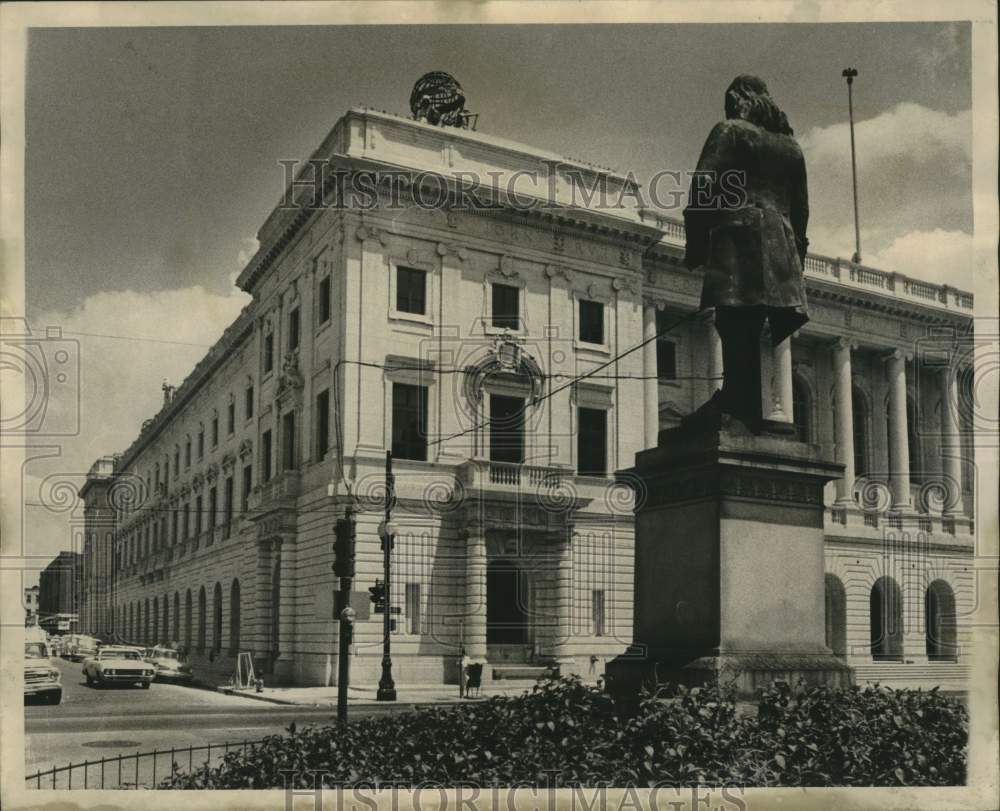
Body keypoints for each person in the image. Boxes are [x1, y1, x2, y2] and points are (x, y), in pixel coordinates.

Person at [681, 75, 809, 432]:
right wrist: (796, 262)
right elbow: (801, 212)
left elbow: (703, 184)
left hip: (738, 236)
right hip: (780, 245)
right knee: (752, 324)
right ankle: (744, 402)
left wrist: (696, 241)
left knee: (732, 318)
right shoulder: (791, 147)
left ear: (739, 99)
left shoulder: (730, 131)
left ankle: (736, 402)